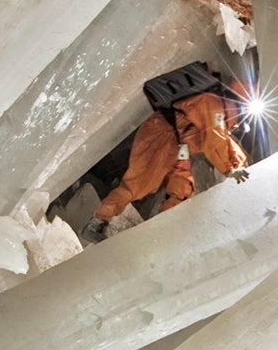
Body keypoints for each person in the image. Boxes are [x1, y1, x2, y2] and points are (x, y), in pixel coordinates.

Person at [83, 62, 250, 241]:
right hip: (160, 136)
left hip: (179, 147)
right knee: (139, 184)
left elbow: (224, 141)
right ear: (233, 102)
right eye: (239, 117)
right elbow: (214, 140)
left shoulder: (219, 116)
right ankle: (98, 221)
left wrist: (239, 164)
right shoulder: (213, 106)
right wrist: (229, 169)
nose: (236, 123)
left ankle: (162, 231)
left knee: (182, 186)